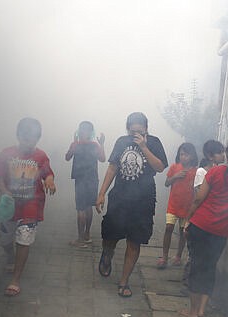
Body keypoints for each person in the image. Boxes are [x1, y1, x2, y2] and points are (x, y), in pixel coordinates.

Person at [179, 139, 228, 317]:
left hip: (201, 226)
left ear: (227, 154)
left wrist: (188, 220)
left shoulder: (216, 172)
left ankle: (193, 311)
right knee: (210, 268)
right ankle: (203, 311)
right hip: (222, 230)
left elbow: (198, 199)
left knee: (197, 266)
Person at [95, 112, 168, 297]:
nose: (135, 133)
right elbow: (113, 167)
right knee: (110, 236)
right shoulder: (121, 142)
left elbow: (160, 167)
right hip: (119, 198)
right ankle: (107, 255)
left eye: (139, 130)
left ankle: (124, 281)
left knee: (134, 241)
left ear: (146, 128)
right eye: (132, 130)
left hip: (143, 201)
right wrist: (102, 193)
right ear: (127, 128)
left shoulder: (154, 142)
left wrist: (143, 146)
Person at [0, 117, 56, 296]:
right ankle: (10, 256)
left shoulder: (40, 156)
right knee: (4, 238)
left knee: (24, 238)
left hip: (32, 203)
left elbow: (47, 173)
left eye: (32, 137)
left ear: (38, 138)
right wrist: (4, 191)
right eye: (25, 137)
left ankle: (15, 279)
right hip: (10, 204)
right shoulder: (6, 154)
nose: (28, 141)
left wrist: (50, 181)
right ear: (18, 136)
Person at [181, 140, 225, 284]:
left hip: (214, 220)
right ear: (210, 156)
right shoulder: (202, 172)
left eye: (223, 151)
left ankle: (198, 284)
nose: (223, 155)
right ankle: (189, 282)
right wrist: (189, 218)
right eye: (219, 152)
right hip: (200, 217)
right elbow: (199, 196)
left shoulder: (222, 171)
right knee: (194, 255)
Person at [157, 143, 198, 269]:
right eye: (181, 154)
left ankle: (178, 256)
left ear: (192, 156)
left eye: (186, 155)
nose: (183, 157)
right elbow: (166, 183)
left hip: (187, 208)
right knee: (168, 228)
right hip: (173, 205)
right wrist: (175, 176)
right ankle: (164, 256)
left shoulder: (196, 171)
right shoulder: (175, 167)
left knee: (183, 232)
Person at [65, 121, 106, 247]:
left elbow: (67, 157)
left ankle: (80, 239)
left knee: (81, 209)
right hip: (93, 179)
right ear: (91, 132)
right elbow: (102, 159)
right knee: (88, 207)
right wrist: (102, 144)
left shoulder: (76, 144)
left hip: (81, 180)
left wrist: (74, 143)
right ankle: (87, 235)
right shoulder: (95, 145)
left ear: (79, 131)